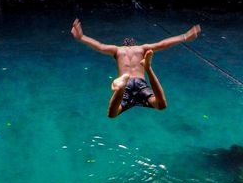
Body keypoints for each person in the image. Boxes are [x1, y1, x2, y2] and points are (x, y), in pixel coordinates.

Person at [71, 18, 201, 118]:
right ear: (134, 44)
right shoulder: (142, 48)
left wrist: (82, 37)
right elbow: (162, 44)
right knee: (161, 105)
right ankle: (148, 67)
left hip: (126, 83)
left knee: (112, 114)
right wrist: (184, 36)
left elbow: (99, 46)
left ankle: (120, 88)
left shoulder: (117, 50)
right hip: (140, 84)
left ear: (124, 44)